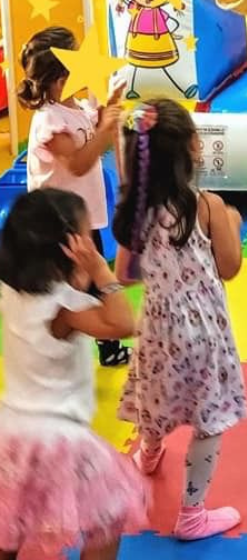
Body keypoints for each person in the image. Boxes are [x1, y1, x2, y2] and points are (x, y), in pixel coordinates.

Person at [113, 99, 247, 541]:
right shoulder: (206, 205)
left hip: (156, 327)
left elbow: (124, 274)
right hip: (203, 333)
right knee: (209, 417)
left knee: (156, 394)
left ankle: (148, 453)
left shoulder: (135, 213)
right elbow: (230, 267)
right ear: (193, 146)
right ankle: (192, 513)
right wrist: (233, 222)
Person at [0, 189, 147, 560]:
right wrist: (100, 270)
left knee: (10, 519)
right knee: (109, 514)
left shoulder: (10, 292)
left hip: (10, 431)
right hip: (57, 438)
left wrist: (77, 278)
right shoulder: (64, 309)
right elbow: (123, 323)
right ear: (68, 251)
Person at [20, 26, 130, 367]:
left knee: (92, 279)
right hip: (57, 223)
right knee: (66, 285)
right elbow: (79, 164)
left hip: (82, 217)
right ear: (59, 79)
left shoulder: (78, 107)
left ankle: (106, 344)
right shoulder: (50, 121)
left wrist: (110, 104)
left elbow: (93, 133)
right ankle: (50, 347)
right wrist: (105, 129)